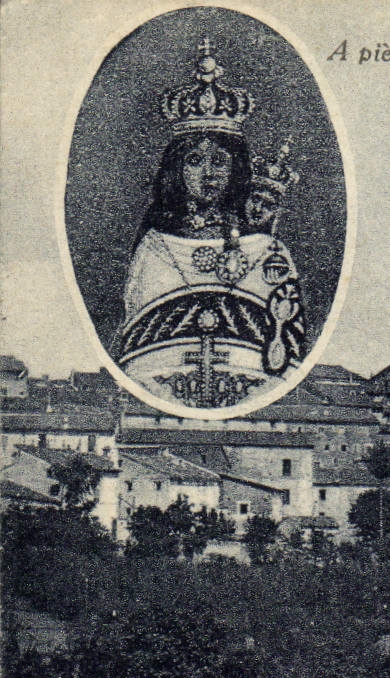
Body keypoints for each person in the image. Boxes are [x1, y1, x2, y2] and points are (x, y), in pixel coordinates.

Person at [115, 38, 305, 409]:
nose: (208, 174)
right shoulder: (154, 246)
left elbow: (288, 341)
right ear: (176, 169)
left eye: (219, 162)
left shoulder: (265, 249)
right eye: (195, 162)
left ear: (236, 170)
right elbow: (135, 341)